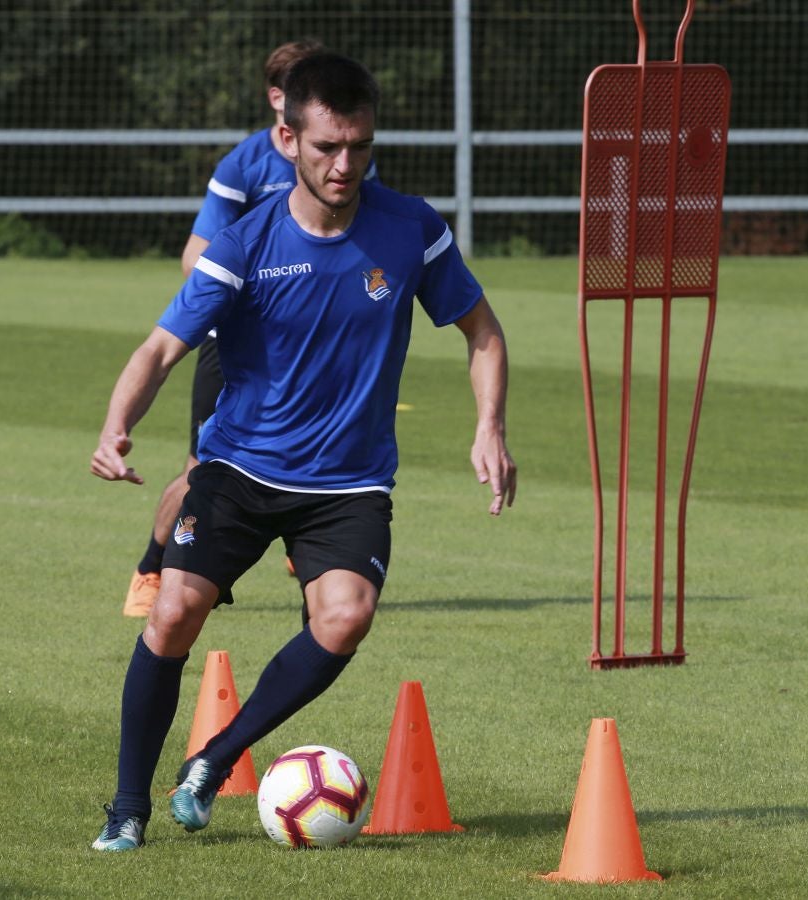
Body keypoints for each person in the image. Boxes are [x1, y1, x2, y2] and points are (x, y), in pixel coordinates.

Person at [89, 51, 516, 852]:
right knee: (174, 611)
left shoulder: (410, 227)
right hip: (240, 468)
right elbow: (159, 349)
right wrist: (118, 425)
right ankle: (126, 807)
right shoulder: (244, 245)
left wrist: (488, 424)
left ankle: (214, 759)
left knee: (346, 617)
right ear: (288, 138)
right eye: (326, 146)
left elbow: (482, 331)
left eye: (359, 145)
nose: (345, 163)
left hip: (349, 484)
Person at [125, 39, 378, 617]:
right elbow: (199, 255)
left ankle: (309, 539)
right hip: (236, 344)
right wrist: (248, 295)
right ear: (280, 103)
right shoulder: (243, 165)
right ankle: (150, 568)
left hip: (318, 346)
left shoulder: (345, 157)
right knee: (202, 469)